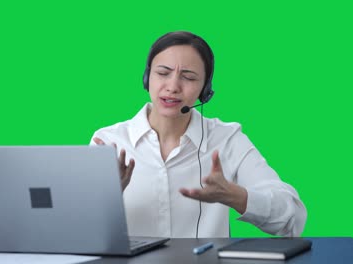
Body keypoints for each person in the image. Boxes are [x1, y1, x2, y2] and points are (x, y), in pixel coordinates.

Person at [90, 31, 307, 238]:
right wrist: (110, 195)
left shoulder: (227, 139)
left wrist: (235, 196)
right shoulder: (109, 142)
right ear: (147, 78)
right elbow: (80, 232)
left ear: (205, 90)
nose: (173, 86)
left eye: (189, 77)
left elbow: (293, 220)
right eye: (163, 73)